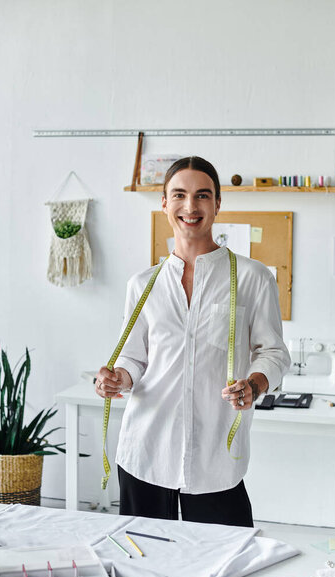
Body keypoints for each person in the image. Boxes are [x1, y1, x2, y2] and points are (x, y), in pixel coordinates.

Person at [95, 156, 290, 527]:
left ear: (218, 203)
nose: (191, 206)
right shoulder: (142, 284)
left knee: (226, 565)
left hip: (215, 456)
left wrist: (255, 383)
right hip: (146, 451)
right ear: (164, 204)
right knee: (143, 563)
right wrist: (118, 378)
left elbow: (273, 352)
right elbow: (134, 359)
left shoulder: (252, 277)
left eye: (202, 195)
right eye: (179, 195)